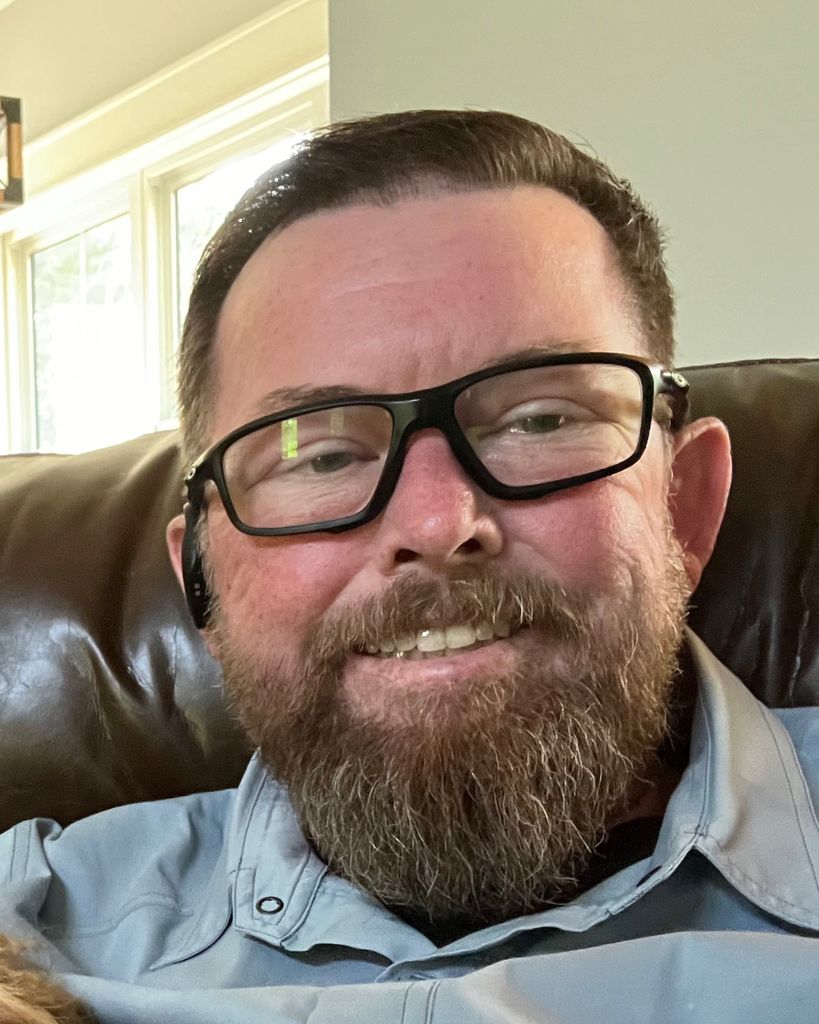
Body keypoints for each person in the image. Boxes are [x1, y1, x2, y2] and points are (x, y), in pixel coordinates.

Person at [1, 108, 817, 1023]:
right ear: (202, 580)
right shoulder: (35, 927)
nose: (435, 523)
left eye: (540, 420)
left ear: (684, 508)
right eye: (319, 456)